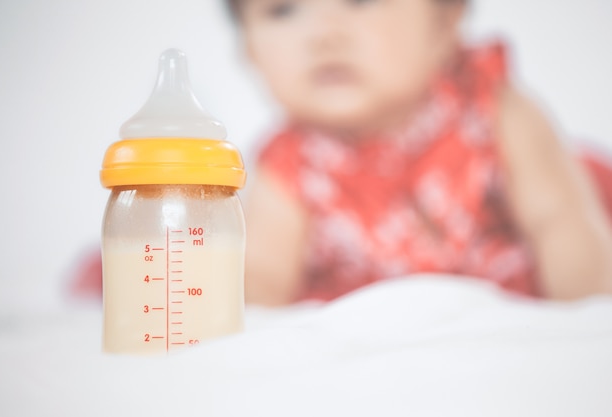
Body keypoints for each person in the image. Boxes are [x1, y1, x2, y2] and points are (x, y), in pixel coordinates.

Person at [226, 0, 612, 306]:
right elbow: (262, 282)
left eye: (361, 1)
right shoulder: (289, 162)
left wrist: (587, 320)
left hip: (516, 306)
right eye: (282, 9)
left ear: (444, 24)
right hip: (392, 339)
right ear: (248, 52)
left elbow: (562, 223)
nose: (324, 35)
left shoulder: (491, 107)